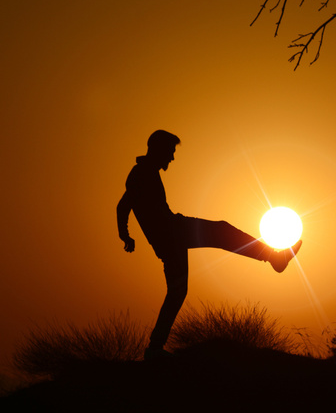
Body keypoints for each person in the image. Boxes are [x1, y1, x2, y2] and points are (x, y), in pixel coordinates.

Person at [116, 130, 301, 360]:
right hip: (173, 233)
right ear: (159, 149)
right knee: (221, 231)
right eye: (170, 152)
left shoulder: (145, 172)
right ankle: (273, 257)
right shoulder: (141, 174)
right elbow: (123, 206)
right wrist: (125, 235)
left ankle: (154, 348)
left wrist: (127, 235)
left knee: (177, 291)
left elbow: (124, 205)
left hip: (170, 238)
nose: (172, 158)